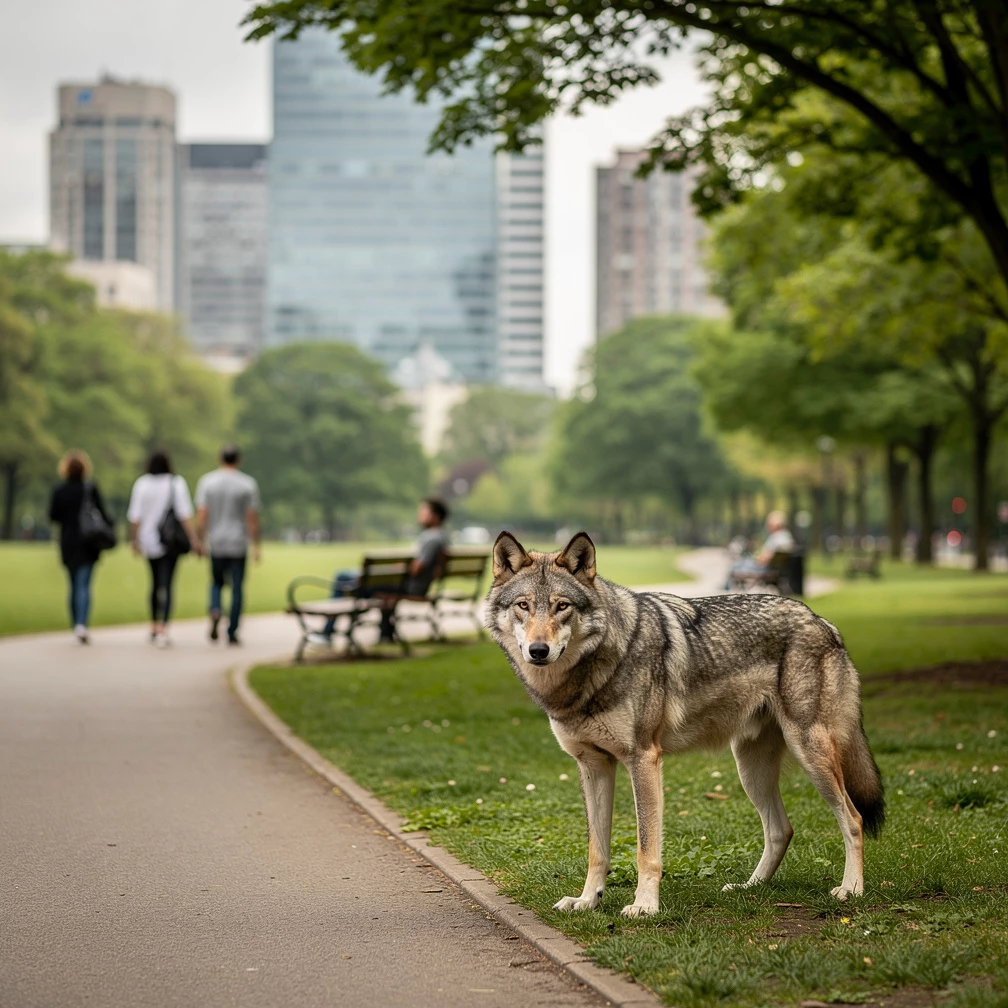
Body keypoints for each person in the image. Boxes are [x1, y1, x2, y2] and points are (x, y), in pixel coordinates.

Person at [309, 498, 450, 646]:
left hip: (408, 587)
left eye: (423, 512)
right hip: (412, 585)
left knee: (343, 577)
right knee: (353, 579)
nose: (419, 515)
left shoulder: (432, 538)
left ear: (435, 516)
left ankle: (327, 632)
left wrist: (398, 569)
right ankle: (384, 633)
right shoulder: (442, 537)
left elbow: (416, 569)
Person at [127, 450, 201, 647]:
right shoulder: (175, 483)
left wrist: (134, 540)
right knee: (167, 584)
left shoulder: (142, 484)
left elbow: (135, 516)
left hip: (149, 539)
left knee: (154, 583)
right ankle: (163, 627)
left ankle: (153, 625)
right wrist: (194, 539)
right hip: (170, 541)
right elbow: (185, 514)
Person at [194, 445, 261, 646]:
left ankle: (215, 609)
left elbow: (203, 514)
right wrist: (256, 545)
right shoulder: (247, 484)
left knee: (216, 582)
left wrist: (200, 539)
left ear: (220, 459)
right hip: (238, 543)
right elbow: (251, 518)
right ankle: (232, 630)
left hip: (216, 542)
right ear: (238, 460)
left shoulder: (207, 482)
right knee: (237, 588)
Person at [48, 450, 114, 644]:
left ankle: (76, 623)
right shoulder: (90, 489)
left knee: (73, 583)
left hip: (68, 541)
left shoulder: (59, 491)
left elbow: (53, 516)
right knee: (83, 584)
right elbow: (103, 514)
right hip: (88, 542)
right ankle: (81, 624)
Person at [725, 510, 796, 589]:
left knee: (736, 565)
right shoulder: (787, 536)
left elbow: (765, 558)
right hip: (776, 569)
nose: (768, 527)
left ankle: (725, 587)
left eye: (769, 524)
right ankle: (725, 586)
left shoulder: (776, 538)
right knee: (740, 563)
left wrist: (757, 558)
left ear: (777, 525)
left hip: (765, 569)